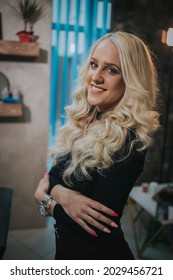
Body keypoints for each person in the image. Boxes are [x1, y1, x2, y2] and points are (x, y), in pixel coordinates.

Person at [34, 30, 160, 260]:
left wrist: (45, 200)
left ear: (131, 80)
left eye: (111, 70)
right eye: (94, 65)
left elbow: (92, 229)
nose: (97, 77)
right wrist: (60, 193)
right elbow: (51, 176)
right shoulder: (85, 121)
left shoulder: (130, 142)